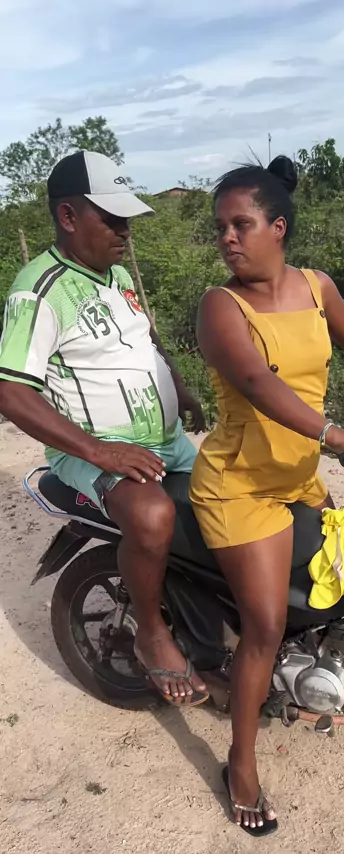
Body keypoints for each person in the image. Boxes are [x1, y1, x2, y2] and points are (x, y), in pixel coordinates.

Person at [189, 155, 344, 834]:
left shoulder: (314, 286)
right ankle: (241, 765)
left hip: (297, 476)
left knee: (335, 589)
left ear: (278, 226)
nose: (227, 238)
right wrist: (340, 434)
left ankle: (309, 678)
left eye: (241, 224)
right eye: (221, 228)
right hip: (241, 487)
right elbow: (256, 382)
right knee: (266, 627)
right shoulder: (220, 307)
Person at [0, 150, 208, 706]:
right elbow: (11, 392)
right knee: (153, 515)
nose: (124, 231)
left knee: (235, 497)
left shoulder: (116, 275)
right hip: (91, 452)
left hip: (165, 443)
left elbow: (147, 341)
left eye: (127, 219)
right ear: (68, 216)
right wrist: (101, 452)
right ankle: (151, 632)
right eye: (111, 219)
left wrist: (180, 389)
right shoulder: (38, 289)